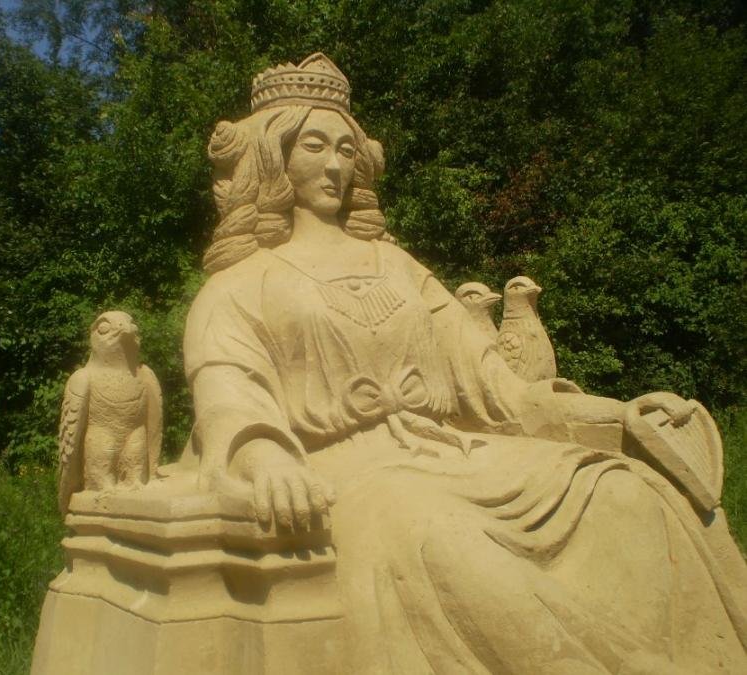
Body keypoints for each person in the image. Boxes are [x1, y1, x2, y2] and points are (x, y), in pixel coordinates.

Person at [183, 54, 747, 673]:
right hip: (352, 470)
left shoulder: (399, 267)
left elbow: (492, 381)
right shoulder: (240, 284)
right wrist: (265, 455)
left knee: (622, 490)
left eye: (347, 148)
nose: (336, 165)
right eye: (314, 146)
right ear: (274, 157)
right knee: (427, 526)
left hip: (450, 451)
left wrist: (616, 413)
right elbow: (226, 389)